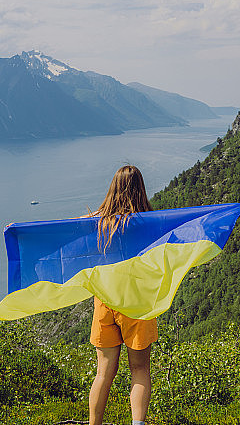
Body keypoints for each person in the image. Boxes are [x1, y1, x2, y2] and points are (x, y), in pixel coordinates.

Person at [87, 165, 157, 425]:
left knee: (103, 373)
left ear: (113, 188)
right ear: (140, 188)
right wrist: (231, 214)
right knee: (139, 369)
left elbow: (57, 232)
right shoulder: (151, 223)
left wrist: (19, 231)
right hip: (137, 304)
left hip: (105, 302)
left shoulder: (96, 222)